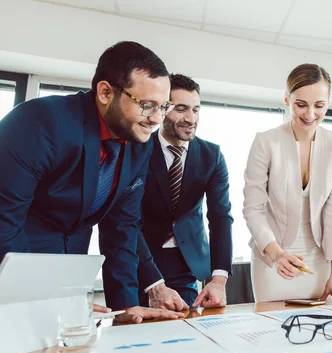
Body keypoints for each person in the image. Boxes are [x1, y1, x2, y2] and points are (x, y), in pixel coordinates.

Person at [0, 41, 187, 323]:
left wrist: (125, 312)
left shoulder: (139, 142)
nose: (156, 119)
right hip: (12, 263)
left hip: (69, 269)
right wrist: (39, 298)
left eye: (163, 107)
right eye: (147, 106)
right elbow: (4, 221)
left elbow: (122, 227)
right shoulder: (40, 123)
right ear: (105, 92)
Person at [243, 64, 332, 303]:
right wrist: (277, 255)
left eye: (319, 106)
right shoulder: (266, 142)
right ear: (287, 100)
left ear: (328, 102)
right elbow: (253, 209)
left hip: (318, 260)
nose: (309, 115)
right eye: (301, 105)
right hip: (271, 258)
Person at [137, 74, 233, 308]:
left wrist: (219, 279)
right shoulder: (138, 149)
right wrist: (153, 282)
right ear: (162, 109)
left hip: (186, 263)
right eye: (181, 108)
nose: (190, 118)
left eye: (196, 109)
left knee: (185, 335)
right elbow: (126, 218)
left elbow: (220, 217)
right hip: (140, 260)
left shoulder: (212, 155)